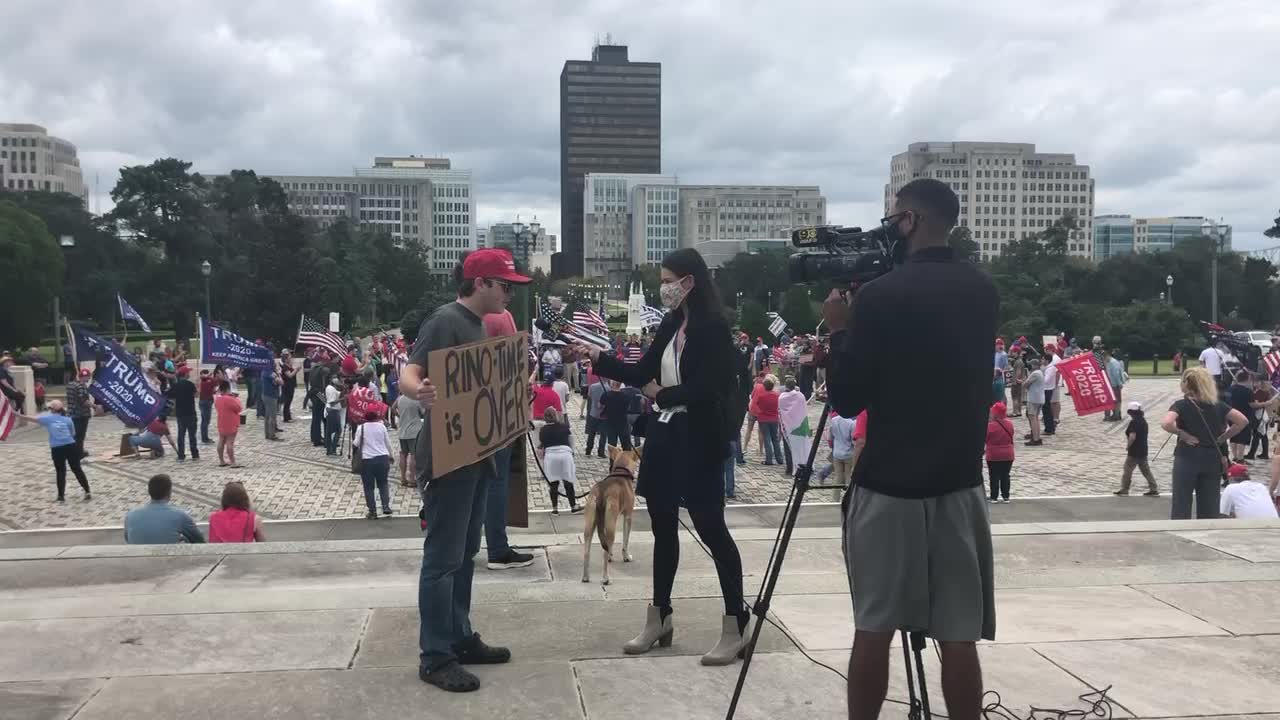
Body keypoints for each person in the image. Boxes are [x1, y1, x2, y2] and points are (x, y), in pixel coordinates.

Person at [823, 178, 996, 719]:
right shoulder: (982, 289)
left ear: (912, 221)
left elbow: (847, 399)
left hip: (889, 484)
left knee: (873, 626)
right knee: (959, 634)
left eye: (896, 217)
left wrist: (838, 332)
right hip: (960, 482)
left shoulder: (879, 296)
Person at [571, 247, 747, 666]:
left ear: (689, 282)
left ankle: (736, 622)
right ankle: (660, 616)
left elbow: (710, 387)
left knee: (711, 527)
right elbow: (641, 370)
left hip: (699, 437)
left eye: (669, 280)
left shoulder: (713, 328)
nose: (663, 288)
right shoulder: (672, 323)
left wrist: (661, 394)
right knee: (663, 527)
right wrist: (598, 358)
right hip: (667, 435)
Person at [398, 247, 528, 693]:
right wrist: (423, 392)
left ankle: (460, 636)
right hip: (450, 460)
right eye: (504, 285)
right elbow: (408, 373)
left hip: (478, 457)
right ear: (481, 283)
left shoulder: (478, 324)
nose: (509, 294)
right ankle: (435, 657)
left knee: (465, 554)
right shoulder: (445, 320)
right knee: (442, 560)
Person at [480, 304, 535, 571]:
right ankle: (498, 549)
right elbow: (516, 365)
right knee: (496, 482)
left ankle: (465, 547)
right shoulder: (501, 316)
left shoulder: (453, 317)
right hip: (500, 412)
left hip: (468, 414)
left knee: (472, 484)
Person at [1162, 367, 1249, 520]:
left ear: (1188, 384)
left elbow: (1166, 423)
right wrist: (1223, 437)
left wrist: (1183, 434)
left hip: (1187, 456)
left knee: (1181, 502)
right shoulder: (1218, 405)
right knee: (1209, 505)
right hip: (1211, 457)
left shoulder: (1182, 404)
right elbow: (1242, 421)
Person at [19, 400, 91, 502]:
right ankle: (87, 491)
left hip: (57, 448)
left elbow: (32, 419)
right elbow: (73, 433)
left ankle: (61, 496)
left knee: (60, 471)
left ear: (52, 410)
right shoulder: (68, 419)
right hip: (71, 445)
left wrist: (17, 414)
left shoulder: (48, 419)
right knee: (77, 469)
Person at [124, 474, 204, 544]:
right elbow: (199, 540)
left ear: (149, 491)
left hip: (138, 558)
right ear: (169, 492)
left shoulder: (131, 515)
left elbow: (128, 539)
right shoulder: (180, 515)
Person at [354, 405, 393, 519]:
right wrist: (391, 455)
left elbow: (356, 443)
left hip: (367, 460)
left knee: (369, 487)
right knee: (383, 483)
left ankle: (372, 511)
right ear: (376, 415)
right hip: (382, 458)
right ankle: (385, 506)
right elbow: (388, 443)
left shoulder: (361, 428)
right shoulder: (382, 427)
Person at [538, 407, 579, 514]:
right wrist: (572, 451)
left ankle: (555, 508)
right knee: (568, 482)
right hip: (565, 454)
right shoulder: (564, 427)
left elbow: (542, 444)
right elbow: (571, 440)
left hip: (551, 456)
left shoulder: (543, 430)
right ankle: (573, 506)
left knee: (553, 484)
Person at [1116, 402, 1159, 496]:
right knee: (1146, 470)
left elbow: (1132, 436)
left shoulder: (1134, 422)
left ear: (1130, 412)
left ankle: (1124, 489)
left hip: (1134, 451)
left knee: (1127, 469)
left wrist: (1128, 446)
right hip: (1143, 449)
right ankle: (1154, 488)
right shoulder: (1143, 421)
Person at [778, 376, 810, 478]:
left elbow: (780, 412)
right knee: (800, 446)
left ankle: (789, 468)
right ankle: (802, 464)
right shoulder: (801, 396)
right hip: (799, 425)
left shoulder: (782, 397)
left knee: (788, 448)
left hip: (788, 427)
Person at [167, 366, 200, 462]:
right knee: (192, 435)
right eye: (188, 372)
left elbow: (169, 395)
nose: (189, 373)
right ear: (185, 374)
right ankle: (195, 454)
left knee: (181, 435)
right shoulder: (190, 385)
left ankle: (181, 455)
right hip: (191, 412)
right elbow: (197, 395)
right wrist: (197, 387)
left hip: (180, 413)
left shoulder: (175, 385)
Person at [1226, 370, 1260, 462]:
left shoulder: (1230, 389)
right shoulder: (1248, 391)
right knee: (1242, 437)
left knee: (1233, 435)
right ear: (1248, 379)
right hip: (1244, 416)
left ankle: (1235, 456)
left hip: (1231, 415)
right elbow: (1253, 405)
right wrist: (1265, 403)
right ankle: (1240, 458)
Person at [985, 402, 1015, 503]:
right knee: (1005, 475)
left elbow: (986, 439)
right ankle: (1006, 496)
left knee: (994, 475)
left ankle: (994, 496)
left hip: (994, 454)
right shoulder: (1009, 424)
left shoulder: (990, 426)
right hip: (1008, 454)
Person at [396, 391, 424, 488]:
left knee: (403, 454)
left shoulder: (400, 399)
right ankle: (412, 479)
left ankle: (403, 478)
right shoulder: (416, 399)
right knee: (413, 455)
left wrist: (400, 416)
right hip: (414, 431)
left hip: (402, 430)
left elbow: (393, 408)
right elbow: (423, 412)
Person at [65, 368, 94, 459]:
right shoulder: (81, 386)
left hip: (71, 413)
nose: (89, 378)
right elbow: (84, 401)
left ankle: (73, 451)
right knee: (80, 435)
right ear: (86, 376)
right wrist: (95, 406)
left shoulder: (70, 385)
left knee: (74, 434)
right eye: (88, 376)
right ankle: (78, 453)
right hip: (81, 414)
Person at [214, 381, 243, 468]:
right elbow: (239, 408)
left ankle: (221, 460)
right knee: (230, 442)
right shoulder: (230, 399)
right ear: (228, 389)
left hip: (221, 422)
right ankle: (233, 462)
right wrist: (236, 398)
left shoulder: (218, 399)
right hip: (231, 422)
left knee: (221, 441)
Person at [754, 377, 782, 465]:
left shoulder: (761, 396)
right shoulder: (777, 395)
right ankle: (779, 458)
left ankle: (769, 459)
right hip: (774, 418)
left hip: (763, 418)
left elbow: (758, 404)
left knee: (767, 438)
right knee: (775, 439)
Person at [600, 379, 634, 451]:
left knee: (612, 444)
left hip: (611, 422)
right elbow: (628, 407)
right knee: (626, 445)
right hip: (623, 422)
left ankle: (612, 461)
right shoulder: (626, 396)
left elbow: (600, 406)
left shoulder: (606, 394)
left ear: (612, 384)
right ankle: (627, 459)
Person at [827, 410, 857, 485]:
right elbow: (854, 442)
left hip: (837, 453)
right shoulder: (852, 423)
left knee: (838, 477)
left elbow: (830, 437)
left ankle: (835, 496)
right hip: (848, 454)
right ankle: (847, 495)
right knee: (848, 476)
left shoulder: (833, 420)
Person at [583, 375, 609, 458]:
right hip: (604, 414)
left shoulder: (593, 386)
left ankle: (588, 450)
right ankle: (601, 452)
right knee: (603, 434)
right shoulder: (608, 388)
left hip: (594, 412)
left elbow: (589, 396)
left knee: (592, 433)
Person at [307, 359, 331, 446]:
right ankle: (318, 439)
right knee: (321, 416)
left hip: (314, 393)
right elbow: (326, 371)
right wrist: (326, 401)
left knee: (315, 418)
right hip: (319, 394)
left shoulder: (313, 369)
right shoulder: (321, 370)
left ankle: (314, 437)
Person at [1022, 358, 1045, 446]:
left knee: (1033, 418)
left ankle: (1035, 439)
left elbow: (1025, 384)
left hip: (1033, 399)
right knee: (1035, 418)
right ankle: (1037, 437)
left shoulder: (1035, 373)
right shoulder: (1040, 373)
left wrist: (1024, 383)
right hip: (1039, 398)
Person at [259, 361, 283, 441]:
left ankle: (267, 434)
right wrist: (278, 373)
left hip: (266, 394)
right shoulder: (270, 372)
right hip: (271, 396)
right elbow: (281, 382)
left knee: (267, 415)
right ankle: (272, 434)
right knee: (272, 416)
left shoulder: (264, 371)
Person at [1104, 348, 1127, 421]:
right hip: (1110, 384)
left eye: (1104, 358)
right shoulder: (1109, 362)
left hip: (1115, 384)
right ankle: (1113, 415)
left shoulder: (1113, 363)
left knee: (1117, 400)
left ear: (1107, 356)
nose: (1104, 361)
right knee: (1112, 399)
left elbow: (1116, 374)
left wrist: (1119, 384)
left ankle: (1116, 415)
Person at [1042, 347, 1062, 434]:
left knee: (1052, 404)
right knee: (1049, 406)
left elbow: (1047, 379)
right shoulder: (1047, 366)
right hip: (1049, 387)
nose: (1046, 351)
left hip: (1049, 388)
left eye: (1047, 349)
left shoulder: (1053, 364)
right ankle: (1050, 424)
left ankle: (1052, 423)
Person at [324, 374, 344, 456]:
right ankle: (332, 448)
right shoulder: (330, 389)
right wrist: (343, 399)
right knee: (337, 430)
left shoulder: (332, 388)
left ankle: (330, 449)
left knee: (331, 431)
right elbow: (332, 402)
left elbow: (338, 393)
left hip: (333, 411)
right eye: (334, 377)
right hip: (332, 411)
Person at [199, 369, 219, 445]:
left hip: (203, 401)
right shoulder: (209, 380)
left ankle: (205, 437)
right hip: (207, 402)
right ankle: (204, 438)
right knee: (205, 421)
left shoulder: (204, 381)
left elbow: (214, 389)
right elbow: (216, 384)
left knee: (204, 420)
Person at [280, 350, 297, 423]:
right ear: (286, 359)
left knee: (289, 401)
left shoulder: (288, 366)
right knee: (287, 401)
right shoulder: (285, 367)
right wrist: (296, 370)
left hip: (291, 386)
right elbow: (289, 375)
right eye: (290, 358)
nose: (291, 359)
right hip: (287, 386)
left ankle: (288, 416)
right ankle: (286, 418)